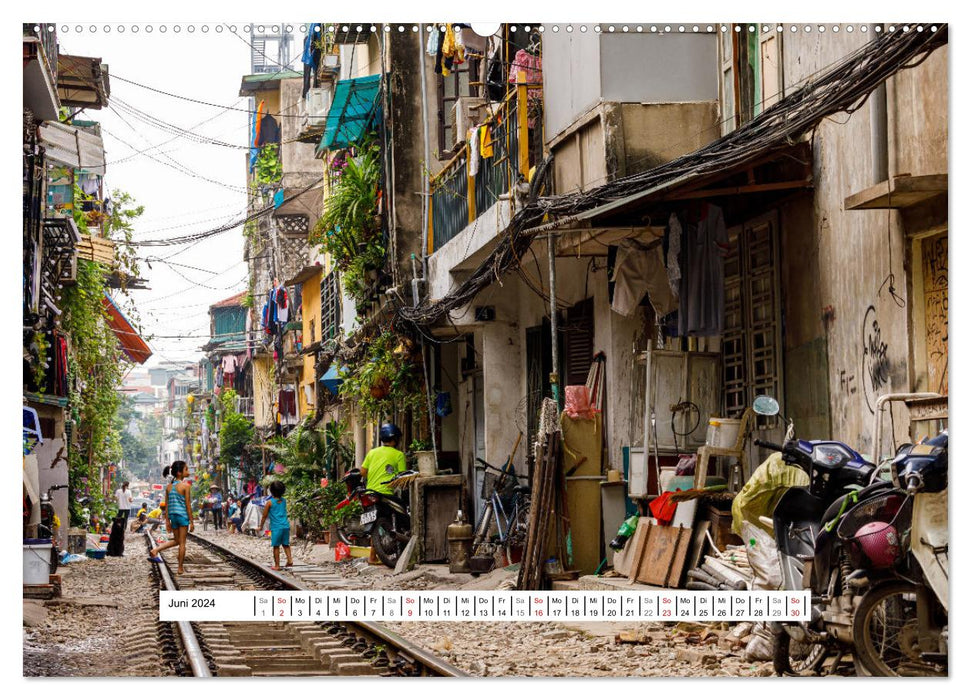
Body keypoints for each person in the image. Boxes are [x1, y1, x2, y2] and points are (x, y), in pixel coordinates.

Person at [148, 461, 194, 574]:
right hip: (183, 516)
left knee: (177, 541)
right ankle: (180, 568)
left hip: (173, 517)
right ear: (179, 473)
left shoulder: (169, 487)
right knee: (182, 543)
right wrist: (191, 521)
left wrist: (167, 521)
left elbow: (167, 506)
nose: (188, 471)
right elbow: (188, 505)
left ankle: (156, 550)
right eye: (186, 469)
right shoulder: (186, 486)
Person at [360, 423, 407, 496]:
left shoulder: (371, 452)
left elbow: (363, 472)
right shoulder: (399, 455)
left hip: (370, 493)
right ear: (395, 439)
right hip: (387, 494)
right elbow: (403, 478)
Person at [258, 480, 292, 570]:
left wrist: (260, 526)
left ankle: (277, 565)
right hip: (285, 526)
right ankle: (290, 560)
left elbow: (264, 516)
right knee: (286, 544)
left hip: (276, 528)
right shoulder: (284, 501)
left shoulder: (269, 503)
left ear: (271, 491)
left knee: (276, 546)